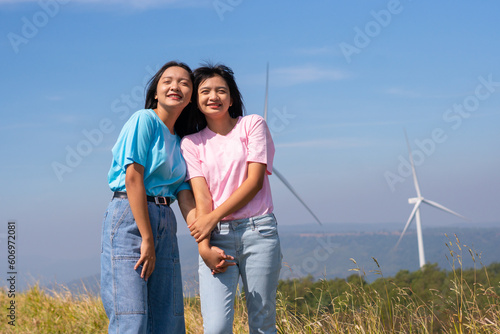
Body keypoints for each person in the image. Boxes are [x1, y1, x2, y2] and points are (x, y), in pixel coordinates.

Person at [180, 63, 282, 334]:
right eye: (205, 91)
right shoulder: (190, 143)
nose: (214, 96)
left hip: (258, 231)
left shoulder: (252, 125)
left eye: (221, 90)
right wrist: (203, 247)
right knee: (216, 327)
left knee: (262, 322)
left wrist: (212, 217)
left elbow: (254, 182)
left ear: (232, 98)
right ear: (196, 100)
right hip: (217, 238)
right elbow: (201, 197)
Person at [100, 61, 197, 334]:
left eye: (184, 83)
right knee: (132, 319)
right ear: (156, 91)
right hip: (132, 217)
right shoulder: (144, 120)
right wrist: (147, 238)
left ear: (191, 98)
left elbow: (183, 191)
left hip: (166, 219)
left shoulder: (181, 140)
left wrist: (202, 232)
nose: (175, 86)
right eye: (167, 81)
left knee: (168, 319)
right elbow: (133, 177)